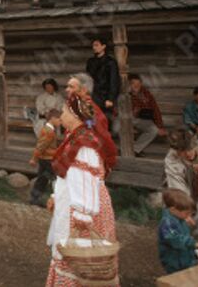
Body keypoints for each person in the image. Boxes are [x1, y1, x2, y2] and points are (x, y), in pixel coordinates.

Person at [46, 93, 118, 287]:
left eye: (64, 110)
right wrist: (55, 195)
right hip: (75, 201)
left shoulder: (84, 142)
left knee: (80, 259)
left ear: (74, 114)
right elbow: (68, 175)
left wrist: (83, 215)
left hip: (84, 208)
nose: (61, 114)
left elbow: (86, 180)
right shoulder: (76, 136)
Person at [158, 188, 198, 274]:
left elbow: (184, 234)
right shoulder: (167, 224)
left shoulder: (179, 217)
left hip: (183, 257)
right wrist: (194, 244)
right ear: (173, 210)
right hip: (174, 262)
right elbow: (176, 240)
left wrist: (186, 217)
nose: (189, 216)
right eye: (187, 213)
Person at [85, 37, 120, 133]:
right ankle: (92, 140)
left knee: (103, 121)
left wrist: (111, 98)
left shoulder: (110, 62)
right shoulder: (91, 61)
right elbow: (87, 78)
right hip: (92, 94)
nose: (94, 47)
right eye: (93, 45)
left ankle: (104, 143)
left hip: (104, 96)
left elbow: (114, 80)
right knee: (89, 119)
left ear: (103, 46)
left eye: (96, 45)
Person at [128, 74, 167, 156]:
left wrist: (160, 126)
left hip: (141, 120)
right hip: (125, 120)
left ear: (141, 84)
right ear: (128, 84)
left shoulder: (147, 94)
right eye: (133, 84)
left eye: (138, 84)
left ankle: (135, 149)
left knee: (153, 130)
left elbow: (155, 109)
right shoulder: (124, 95)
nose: (135, 86)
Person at [29, 108, 60, 206]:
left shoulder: (47, 129)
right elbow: (41, 146)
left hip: (45, 159)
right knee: (56, 178)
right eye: (59, 119)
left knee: (42, 178)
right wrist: (34, 158)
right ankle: (58, 200)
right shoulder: (49, 131)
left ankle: (35, 198)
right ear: (53, 118)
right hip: (48, 160)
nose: (61, 122)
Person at [66, 73, 112, 137]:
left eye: (71, 87)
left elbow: (91, 135)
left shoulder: (89, 109)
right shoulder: (75, 106)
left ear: (84, 90)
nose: (67, 90)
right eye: (67, 86)